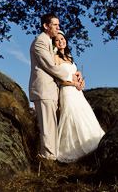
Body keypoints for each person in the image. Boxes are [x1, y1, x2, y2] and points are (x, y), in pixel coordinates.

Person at [28, 14, 83, 160]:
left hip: (52, 90)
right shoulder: (40, 42)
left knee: (52, 126)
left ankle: (51, 156)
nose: (58, 28)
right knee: (47, 127)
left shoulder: (48, 42)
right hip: (44, 89)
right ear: (46, 26)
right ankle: (47, 159)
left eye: (59, 25)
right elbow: (50, 66)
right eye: (55, 25)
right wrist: (70, 77)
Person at [53, 31, 105, 162]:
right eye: (58, 40)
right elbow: (59, 79)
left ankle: (91, 142)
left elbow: (74, 72)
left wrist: (80, 79)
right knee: (71, 117)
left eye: (63, 39)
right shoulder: (55, 58)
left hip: (77, 92)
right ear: (54, 43)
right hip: (67, 91)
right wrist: (74, 83)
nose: (61, 41)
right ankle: (72, 149)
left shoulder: (69, 57)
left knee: (84, 115)